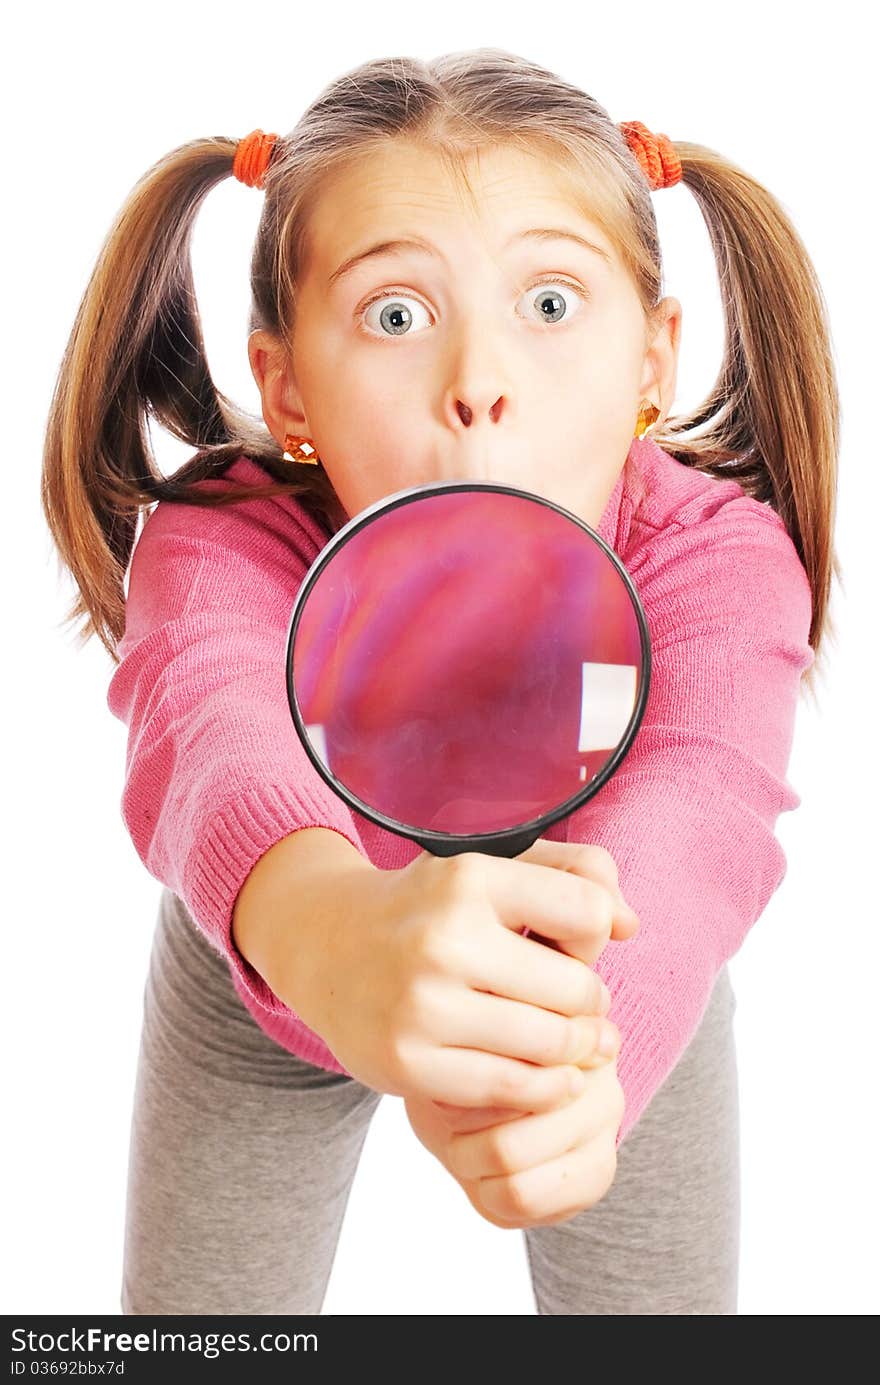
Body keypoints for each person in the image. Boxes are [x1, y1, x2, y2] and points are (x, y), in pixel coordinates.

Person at [40, 48, 839, 1315]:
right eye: (396, 314)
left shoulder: (714, 557)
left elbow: (697, 807)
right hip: (275, 961)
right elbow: (211, 725)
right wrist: (321, 929)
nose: (479, 384)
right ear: (286, 381)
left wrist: (586, 1059)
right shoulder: (224, 538)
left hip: (612, 973)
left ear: (653, 358)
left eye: (554, 304)